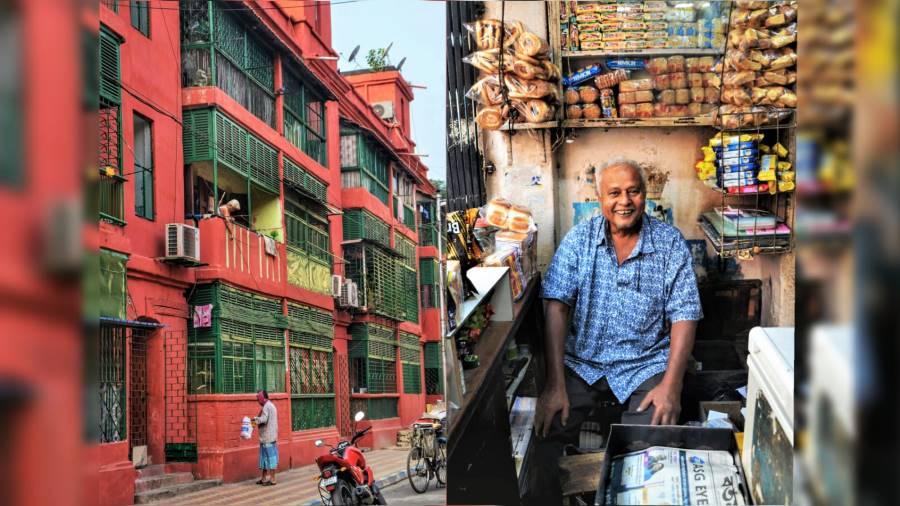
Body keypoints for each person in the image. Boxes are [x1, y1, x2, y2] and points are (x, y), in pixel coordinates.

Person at [524, 159, 702, 506]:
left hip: (645, 363)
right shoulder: (580, 239)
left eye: (634, 191)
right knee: (544, 433)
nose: (625, 201)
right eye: (615, 193)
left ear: (645, 195)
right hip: (585, 361)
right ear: (600, 198)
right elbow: (556, 306)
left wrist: (672, 386)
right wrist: (555, 384)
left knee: (652, 440)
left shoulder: (668, 244)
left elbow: (685, 316)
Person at [253, 390, 278, 486]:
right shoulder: (269, 405)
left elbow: (264, 419)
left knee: (270, 458)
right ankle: (263, 478)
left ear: (261, 398)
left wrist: (255, 420)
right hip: (267, 437)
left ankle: (272, 479)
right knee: (264, 458)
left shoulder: (267, 407)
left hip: (268, 438)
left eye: (258, 398)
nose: (257, 401)